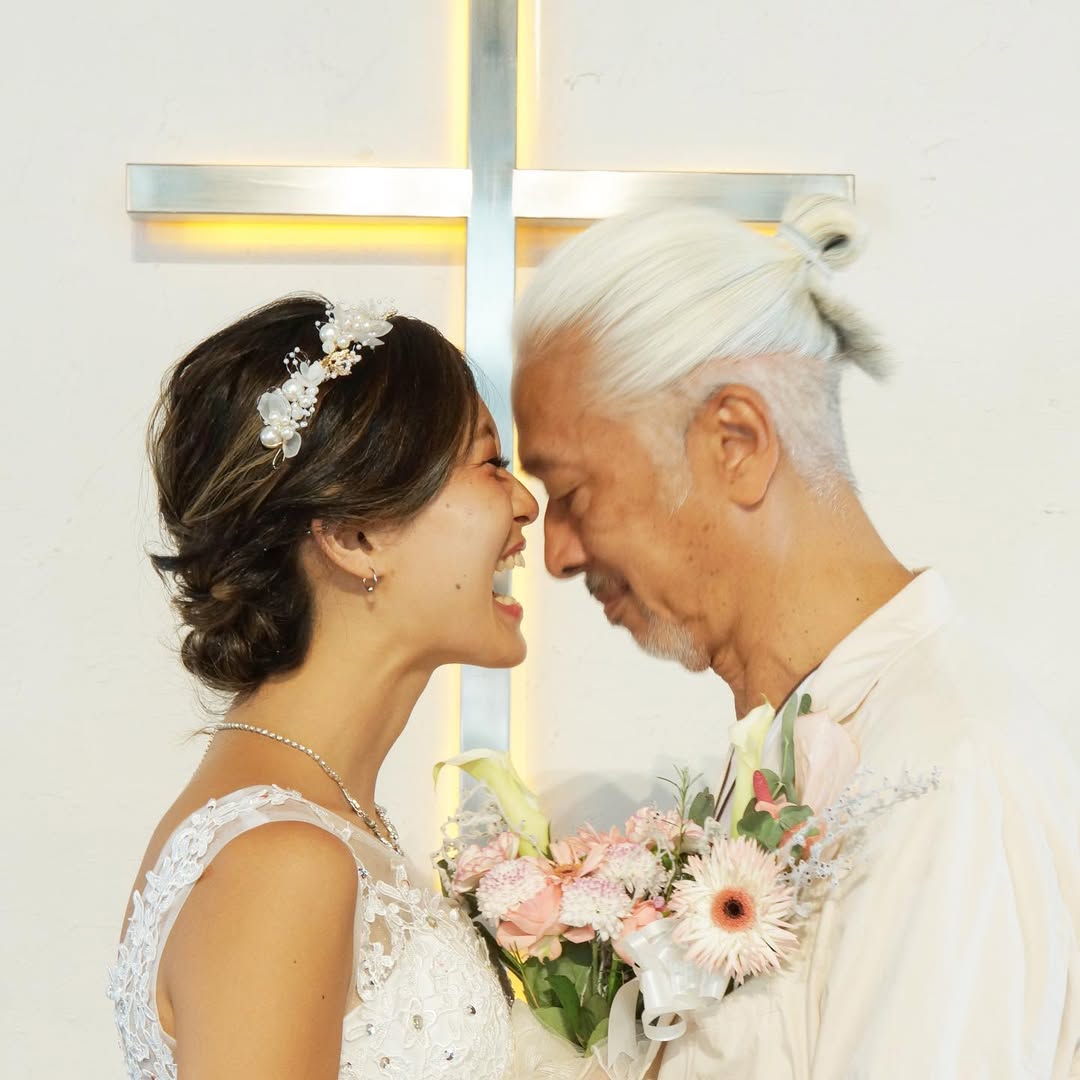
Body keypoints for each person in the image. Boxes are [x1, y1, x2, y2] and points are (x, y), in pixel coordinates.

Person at [511, 197, 1080, 1078]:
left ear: (734, 441)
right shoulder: (809, 738)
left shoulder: (942, 775)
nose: (556, 554)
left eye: (574, 493)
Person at [107, 296, 538, 1079]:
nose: (525, 503)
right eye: (489, 463)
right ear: (353, 535)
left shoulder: (321, 824)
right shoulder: (280, 861)